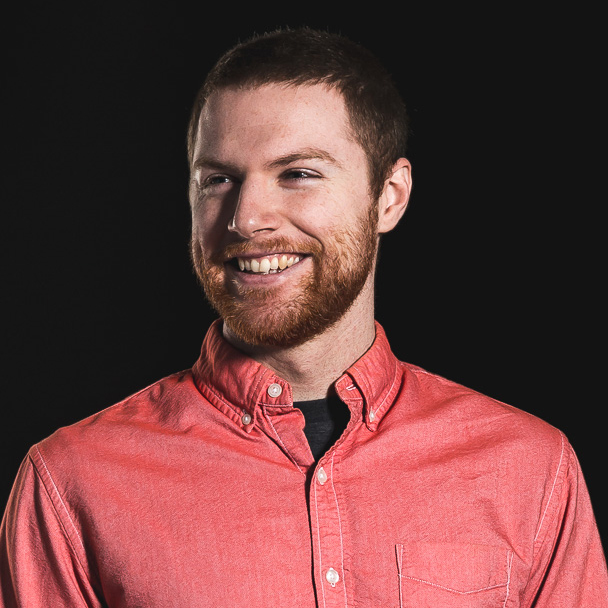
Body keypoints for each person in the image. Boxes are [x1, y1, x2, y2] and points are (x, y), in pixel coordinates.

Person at [1, 27, 606, 608]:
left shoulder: (531, 469)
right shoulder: (72, 483)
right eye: (218, 179)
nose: (246, 218)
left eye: (298, 174)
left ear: (388, 197)